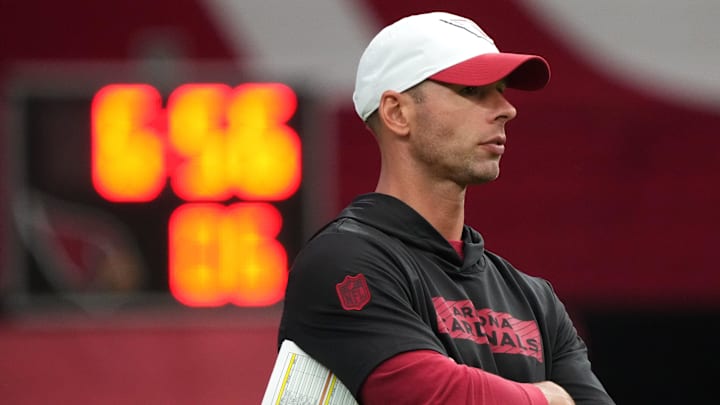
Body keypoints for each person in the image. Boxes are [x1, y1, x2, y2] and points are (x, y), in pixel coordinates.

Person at [278, 11, 614, 405]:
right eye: (472, 91)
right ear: (397, 113)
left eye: (502, 89)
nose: (507, 109)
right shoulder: (340, 261)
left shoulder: (535, 298)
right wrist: (547, 399)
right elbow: (427, 394)